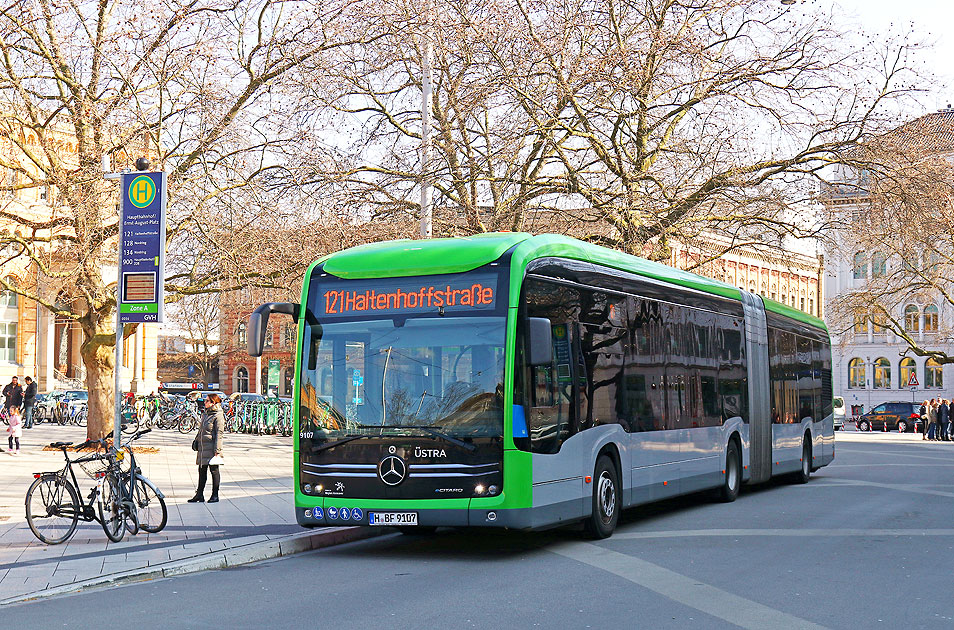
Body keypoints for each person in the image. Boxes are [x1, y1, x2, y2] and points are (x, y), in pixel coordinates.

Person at [188, 393, 225, 503]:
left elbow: (219, 433)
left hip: (212, 447)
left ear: (213, 403)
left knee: (214, 471)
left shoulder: (218, 415)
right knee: (201, 470)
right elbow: (201, 430)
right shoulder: (206, 414)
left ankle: (215, 495)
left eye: (207, 401)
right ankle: (199, 494)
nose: (205, 402)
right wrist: (196, 440)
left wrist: (217, 450)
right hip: (203, 447)